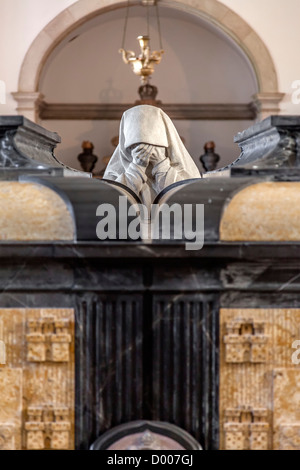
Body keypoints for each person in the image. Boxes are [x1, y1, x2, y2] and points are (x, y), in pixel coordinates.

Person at [103, 104, 201, 208]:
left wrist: (161, 167)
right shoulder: (115, 173)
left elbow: (192, 202)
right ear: (127, 148)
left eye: (154, 146)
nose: (145, 151)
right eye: (136, 147)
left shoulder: (183, 170)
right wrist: (136, 170)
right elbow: (109, 203)